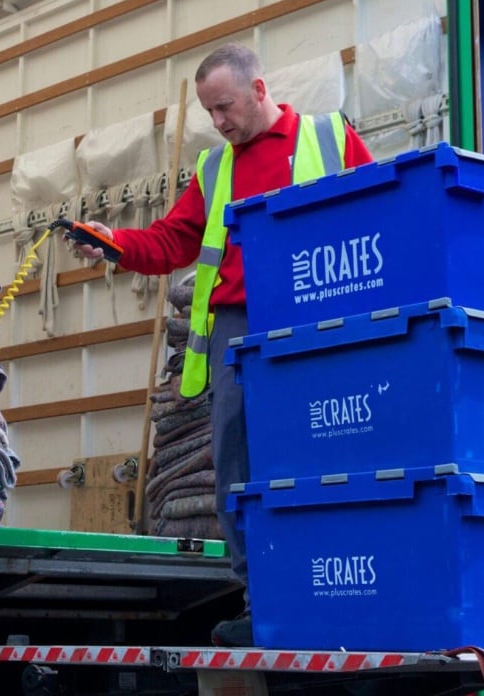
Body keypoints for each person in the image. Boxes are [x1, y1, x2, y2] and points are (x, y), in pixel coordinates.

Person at [69, 43, 373, 646]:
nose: (218, 121)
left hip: (320, 324)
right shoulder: (215, 171)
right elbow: (168, 241)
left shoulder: (329, 138)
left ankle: (348, 593)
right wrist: (114, 242)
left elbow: (381, 215)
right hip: (239, 334)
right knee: (239, 466)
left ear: (260, 91)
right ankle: (264, 602)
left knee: (327, 459)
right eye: (209, 111)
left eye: (225, 106)